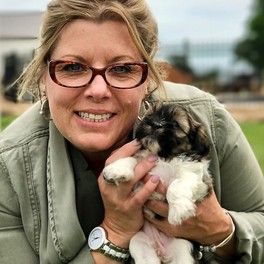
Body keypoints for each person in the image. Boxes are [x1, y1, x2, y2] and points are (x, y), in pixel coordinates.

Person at [0, 0, 263, 263]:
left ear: (149, 78)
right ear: (43, 75)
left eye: (122, 68)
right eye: (73, 67)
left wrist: (219, 230)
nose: (98, 90)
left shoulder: (206, 120)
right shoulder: (8, 165)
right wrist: (116, 232)